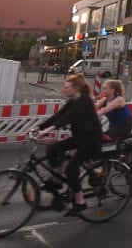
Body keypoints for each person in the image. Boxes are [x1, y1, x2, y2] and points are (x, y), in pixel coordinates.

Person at [35, 74, 103, 216]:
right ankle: (56, 181)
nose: (63, 90)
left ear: (76, 88)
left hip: (91, 139)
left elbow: (69, 117)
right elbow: (59, 116)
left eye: (66, 87)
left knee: (71, 169)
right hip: (79, 137)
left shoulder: (84, 100)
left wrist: (48, 130)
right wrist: (39, 128)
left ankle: (80, 202)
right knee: (53, 149)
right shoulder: (73, 100)